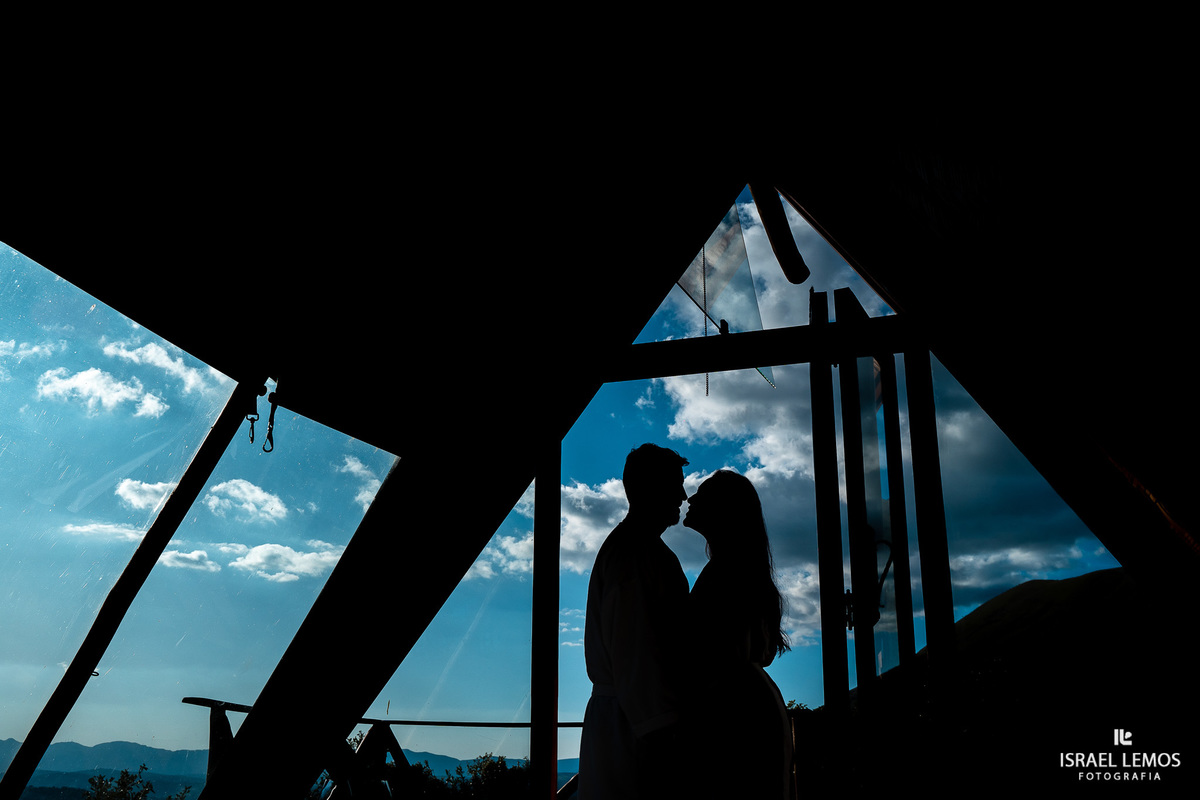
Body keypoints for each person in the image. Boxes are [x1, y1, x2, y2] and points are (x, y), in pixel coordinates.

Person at [578, 444, 690, 799]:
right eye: (676, 484)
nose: (683, 495)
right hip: (639, 730)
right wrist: (661, 733)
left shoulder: (638, 550)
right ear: (651, 489)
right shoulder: (636, 556)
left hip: (632, 723)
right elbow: (636, 656)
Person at [683, 469, 794, 799]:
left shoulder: (725, 573)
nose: (690, 498)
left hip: (736, 722)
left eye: (702, 494)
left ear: (722, 509)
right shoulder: (736, 569)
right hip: (748, 712)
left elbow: (717, 656)